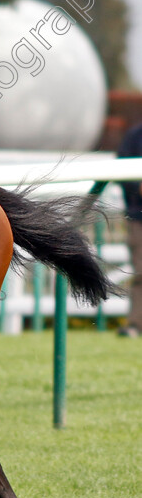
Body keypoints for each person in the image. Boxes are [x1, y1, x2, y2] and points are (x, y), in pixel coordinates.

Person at [117, 121, 142, 337]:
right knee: (140, 272)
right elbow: (121, 170)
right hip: (138, 218)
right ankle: (135, 324)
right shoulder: (134, 136)